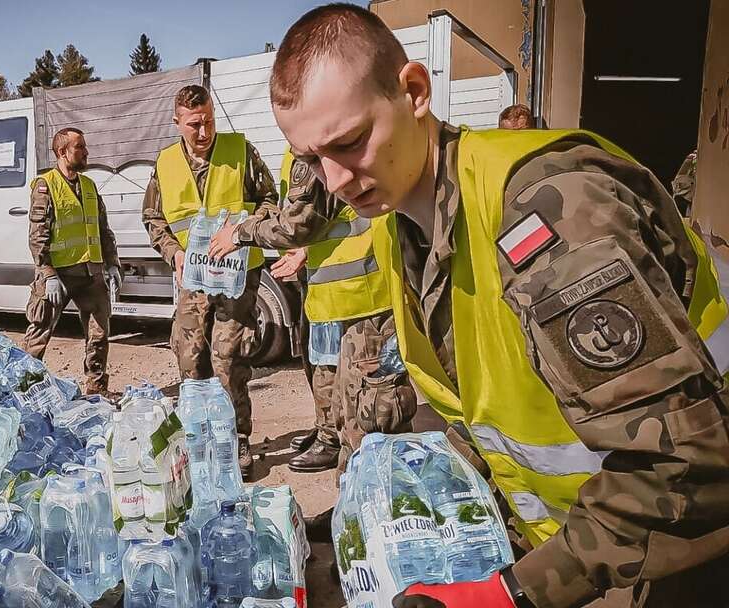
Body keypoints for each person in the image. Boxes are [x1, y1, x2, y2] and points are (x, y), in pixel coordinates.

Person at [269, 4, 729, 607]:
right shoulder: (400, 227)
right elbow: (478, 410)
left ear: (413, 91)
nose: (332, 181)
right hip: (592, 545)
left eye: (349, 143)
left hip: (683, 554)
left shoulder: (551, 209)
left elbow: (687, 465)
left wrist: (511, 593)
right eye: (310, 160)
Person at [208, 151, 417, 473]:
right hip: (336, 292)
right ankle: (347, 476)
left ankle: (374, 493)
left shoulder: (328, 150)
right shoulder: (309, 150)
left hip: (365, 296)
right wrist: (304, 250)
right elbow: (324, 215)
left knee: (372, 413)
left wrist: (238, 234)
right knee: (347, 399)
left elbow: (300, 222)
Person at [142, 84, 279, 478]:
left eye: (209, 122)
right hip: (193, 278)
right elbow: (154, 218)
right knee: (189, 354)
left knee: (228, 357)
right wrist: (174, 253)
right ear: (177, 123)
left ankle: (235, 437)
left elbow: (271, 201)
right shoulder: (165, 163)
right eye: (194, 125)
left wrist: (242, 227)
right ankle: (198, 434)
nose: (203, 133)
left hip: (237, 277)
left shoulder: (241, 151)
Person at [22, 127, 122, 395]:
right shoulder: (46, 186)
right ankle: (22, 388)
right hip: (58, 273)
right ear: (62, 152)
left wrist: (112, 262)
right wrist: (47, 272)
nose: (86, 152)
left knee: (99, 333)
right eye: (80, 147)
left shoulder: (89, 186)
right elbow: (37, 236)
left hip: (90, 272)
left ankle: (96, 389)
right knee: (40, 331)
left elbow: (102, 229)